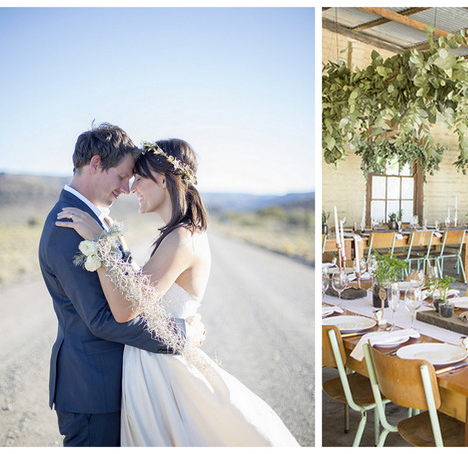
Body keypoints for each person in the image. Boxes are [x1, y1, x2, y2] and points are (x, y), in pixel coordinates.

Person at [55, 138, 299, 447]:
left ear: (164, 179)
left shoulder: (181, 239)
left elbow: (124, 310)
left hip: (161, 372)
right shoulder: (179, 234)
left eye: (139, 179)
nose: (132, 189)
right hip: (151, 366)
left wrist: (101, 243)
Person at [38, 123, 204, 447]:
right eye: (121, 176)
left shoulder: (94, 220)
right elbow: (102, 319)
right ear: (96, 163)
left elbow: (128, 288)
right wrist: (181, 335)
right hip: (92, 391)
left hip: (111, 384)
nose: (127, 188)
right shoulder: (66, 226)